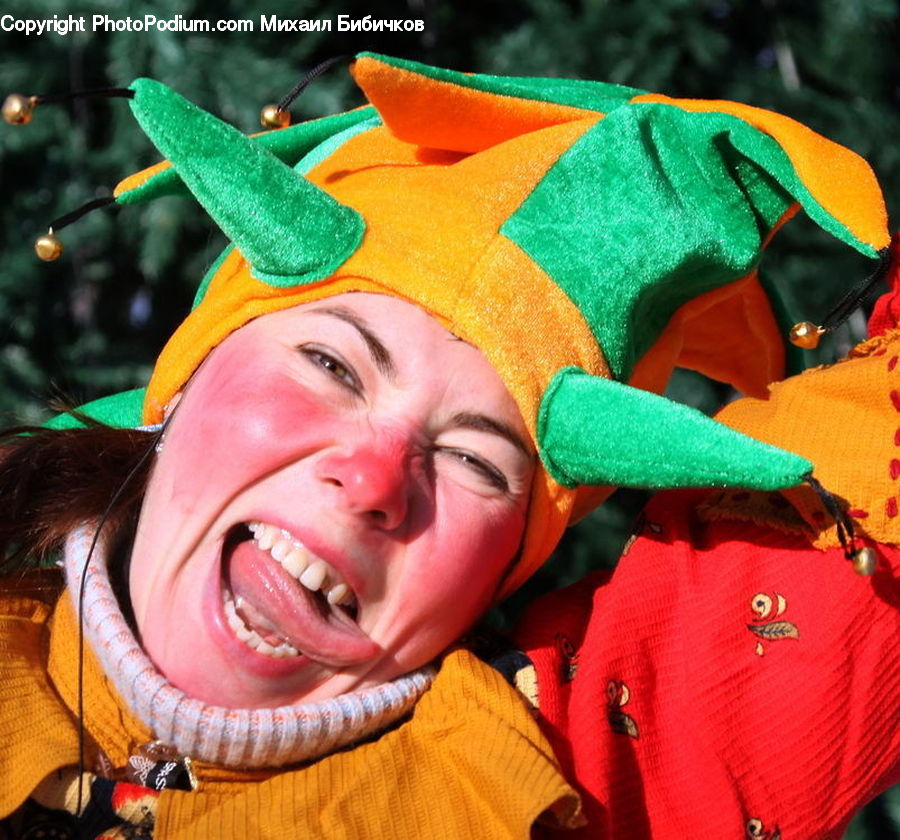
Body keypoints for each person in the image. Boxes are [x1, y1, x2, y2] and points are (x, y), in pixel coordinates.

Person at [0, 53, 895, 838]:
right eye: (331, 364)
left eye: (477, 462)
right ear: (180, 386)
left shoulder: (552, 789)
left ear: (500, 569)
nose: (375, 479)